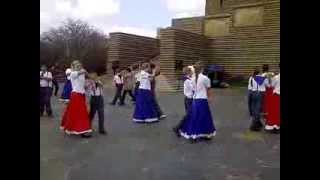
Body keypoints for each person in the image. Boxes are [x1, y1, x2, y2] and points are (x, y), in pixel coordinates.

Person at [179, 62, 216, 142]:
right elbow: (208, 89)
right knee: (204, 117)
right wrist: (210, 98)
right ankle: (205, 134)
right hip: (202, 100)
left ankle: (195, 134)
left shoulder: (192, 78)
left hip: (195, 100)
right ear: (202, 68)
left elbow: (193, 90)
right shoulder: (205, 78)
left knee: (195, 117)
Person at [60, 61, 92, 138]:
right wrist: (84, 71)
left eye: (80, 65)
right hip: (76, 95)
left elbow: (83, 82)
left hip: (81, 94)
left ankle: (70, 126)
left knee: (74, 112)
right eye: (77, 66)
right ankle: (82, 131)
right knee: (81, 113)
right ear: (73, 67)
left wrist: (87, 86)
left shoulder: (81, 73)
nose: (79, 67)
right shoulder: (73, 73)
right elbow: (82, 73)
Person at [173, 66, 194, 136]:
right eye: (191, 71)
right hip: (189, 99)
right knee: (189, 115)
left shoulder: (188, 79)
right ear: (188, 72)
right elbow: (193, 89)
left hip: (188, 99)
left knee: (191, 115)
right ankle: (177, 127)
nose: (192, 73)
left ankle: (186, 128)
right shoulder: (188, 80)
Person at [265, 63, 280, 133]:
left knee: (275, 111)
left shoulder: (276, 77)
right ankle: (277, 125)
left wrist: (269, 80)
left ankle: (275, 126)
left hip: (277, 95)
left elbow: (271, 85)